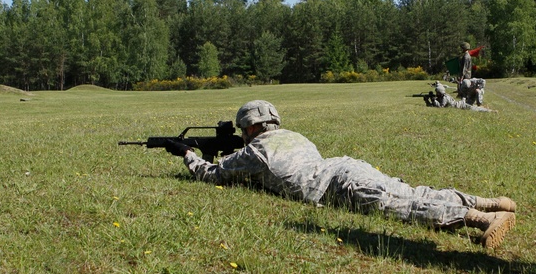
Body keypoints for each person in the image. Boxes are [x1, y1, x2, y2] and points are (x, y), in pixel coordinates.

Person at [174, 100, 516, 250]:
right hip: (346, 167)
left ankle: (479, 219)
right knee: (409, 190)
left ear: (249, 128)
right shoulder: (293, 136)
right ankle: (487, 201)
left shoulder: (256, 152)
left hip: (335, 186)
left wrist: (188, 155)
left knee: (397, 206)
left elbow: (214, 175)